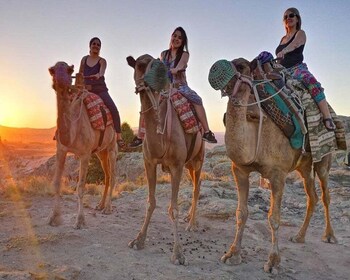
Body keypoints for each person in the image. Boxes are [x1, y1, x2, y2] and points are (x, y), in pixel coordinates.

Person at [129, 27, 217, 147]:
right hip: (164, 86)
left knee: (197, 100)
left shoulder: (185, 54)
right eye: (174, 36)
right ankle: (140, 136)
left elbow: (182, 65)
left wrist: (174, 70)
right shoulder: (163, 54)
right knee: (147, 103)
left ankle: (206, 132)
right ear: (171, 37)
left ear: (183, 41)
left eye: (179, 37)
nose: (176, 39)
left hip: (180, 86)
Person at [275, 7, 336, 131]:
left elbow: (295, 44)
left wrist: (284, 51)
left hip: (297, 68)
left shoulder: (300, 33)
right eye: (285, 17)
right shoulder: (282, 39)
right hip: (283, 71)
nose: (288, 18)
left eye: (291, 15)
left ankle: (327, 117)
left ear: (297, 18)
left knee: (311, 82)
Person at [79, 37, 125, 148]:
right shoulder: (84, 59)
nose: (96, 46)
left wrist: (98, 75)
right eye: (94, 44)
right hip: (85, 89)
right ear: (89, 46)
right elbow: (80, 74)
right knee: (69, 103)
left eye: (98, 44)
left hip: (100, 90)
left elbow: (102, 71)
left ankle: (118, 136)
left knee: (113, 109)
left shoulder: (102, 61)